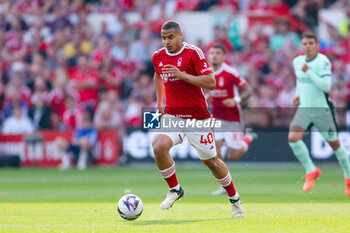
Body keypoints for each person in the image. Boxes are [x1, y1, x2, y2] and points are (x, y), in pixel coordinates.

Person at [152, 20, 244, 218]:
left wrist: (182, 75)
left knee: (212, 162)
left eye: (170, 37)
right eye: (163, 38)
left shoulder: (194, 53)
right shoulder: (158, 56)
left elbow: (211, 82)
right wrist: (160, 102)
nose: (166, 42)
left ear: (180, 35)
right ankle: (175, 189)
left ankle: (234, 198)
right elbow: (158, 76)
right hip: (173, 114)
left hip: (197, 118)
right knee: (158, 145)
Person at [288, 34, 350, 196]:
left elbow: (326, 86)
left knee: (335, 145)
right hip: (304, 108)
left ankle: (348, 177)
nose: (307, 46)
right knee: (293, 138)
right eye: (304, 43)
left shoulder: (322, 62)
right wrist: (298, 94)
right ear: (301, 46)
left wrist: (309, 72)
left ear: (317, 45)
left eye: (310, 43)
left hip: (322, 109)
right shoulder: (297, 62)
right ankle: (311, 170)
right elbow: (300, 81)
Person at [207, 44, 257, 195]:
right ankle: (224, 185)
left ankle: (247, 139)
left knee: (232, 156)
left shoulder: (231, 72)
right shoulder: (207, 73)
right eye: (212, 53)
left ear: (224, 56)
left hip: (232, 118)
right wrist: (208, 97)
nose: (214, 56)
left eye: (218, 53)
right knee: (214, 153)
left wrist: (235, 100)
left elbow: (248, 90)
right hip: (217, 118)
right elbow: (213, 93)